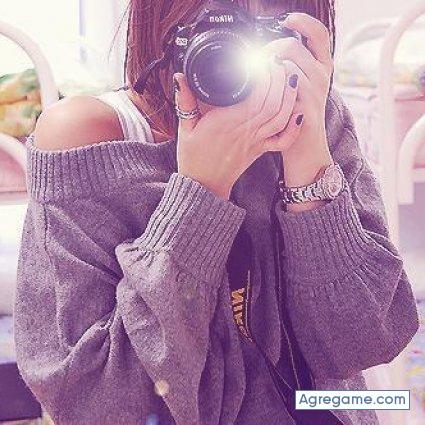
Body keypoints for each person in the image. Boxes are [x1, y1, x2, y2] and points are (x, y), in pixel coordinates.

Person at [14, 1, 418, 424]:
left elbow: (363, 345)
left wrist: (308, 166)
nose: (236, 38)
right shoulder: (87, 137)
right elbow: (96, 407)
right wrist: (200, 195)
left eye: (268, 11)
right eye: (214, 12)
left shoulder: (312, 106)